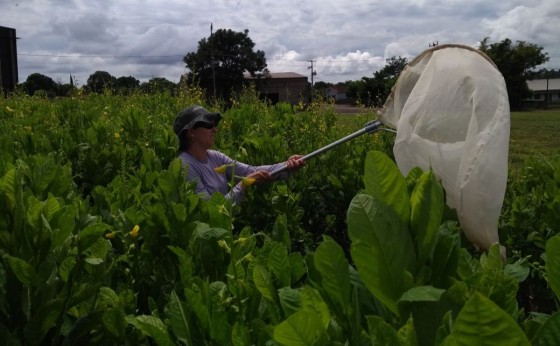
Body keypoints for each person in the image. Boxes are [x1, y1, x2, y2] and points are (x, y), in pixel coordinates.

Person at [173, 105, 305, 204]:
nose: (215, 129)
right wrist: (243, 185)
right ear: (191, 132)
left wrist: (288, 165)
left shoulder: (215, 156)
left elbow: (251, 171)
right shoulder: (185, 166)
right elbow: (208, 211)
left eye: (215, 125)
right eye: (208, 125)